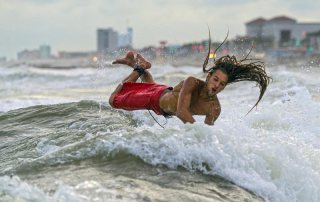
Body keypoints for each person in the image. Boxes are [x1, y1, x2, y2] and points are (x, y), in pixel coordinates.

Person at [109, 50, 270, 126]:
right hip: (155, 99)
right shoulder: (192, 82)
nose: (217, 85)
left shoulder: (215, 108)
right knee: (114, 100)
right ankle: (139, 68)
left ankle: (134, 62)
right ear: (208, 77)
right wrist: (197, 135)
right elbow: (181, 111)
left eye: (222, 84)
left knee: (147, 83)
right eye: (215, 79)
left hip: (163, 96)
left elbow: (207, 131)